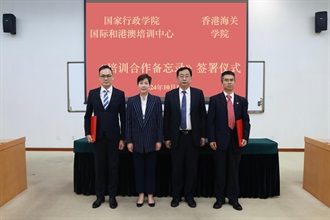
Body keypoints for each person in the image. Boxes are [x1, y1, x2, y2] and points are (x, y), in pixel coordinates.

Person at [163, 66, 207, 208]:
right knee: (176, 169)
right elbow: (167, 119)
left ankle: (189, 196)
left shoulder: (198, 93)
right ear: (177, 78)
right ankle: (176, 196)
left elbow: (202, 117)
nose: (184, 78)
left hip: (192, 137)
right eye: (181, 76)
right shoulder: (170, 95)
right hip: (177, 137)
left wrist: (203, 136)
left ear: (191, 78)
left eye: (186, 76)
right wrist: (167, 137)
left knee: (191, 169)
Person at [207, 70, 251, 211]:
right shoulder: (214, 100)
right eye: (226, 80)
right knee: (220, 171)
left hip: (236, 140)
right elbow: (210, 122)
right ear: (221, 82)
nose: (229, 82)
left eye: (231, 80)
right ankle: (219, 199)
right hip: (219, 141)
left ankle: (233, 199)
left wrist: (245, 137)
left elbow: (246, 121)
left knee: (233, 171)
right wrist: (211, 139)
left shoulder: (242, 100)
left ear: (235, 81)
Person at [84, 65, 126, 209]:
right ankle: (100, 196)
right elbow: (87, 116)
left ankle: (112, 197)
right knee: (99, 168)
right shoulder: (93, 93)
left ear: (113, 77)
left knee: (113, 168)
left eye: (108, 75)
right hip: (98, 137)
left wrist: (123, 138)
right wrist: (88, 133)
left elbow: (123, 118)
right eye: (103, 76)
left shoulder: (120, 94)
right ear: (99, 77)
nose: (106, 78)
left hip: (114, 137)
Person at [126, 74, 163, 208]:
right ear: (137, 85)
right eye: (141, 83)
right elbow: (128, 122)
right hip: (136, 141)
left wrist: (159, 140)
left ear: (149, 85)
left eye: (146, 83)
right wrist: (129, 140)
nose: (143, 85)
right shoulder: (131, 101)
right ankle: (141, 194)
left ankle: (150, 194)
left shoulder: (156, 100)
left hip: (151, 140)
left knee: (151, 169)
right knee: (139, 169)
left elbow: (160, 121)